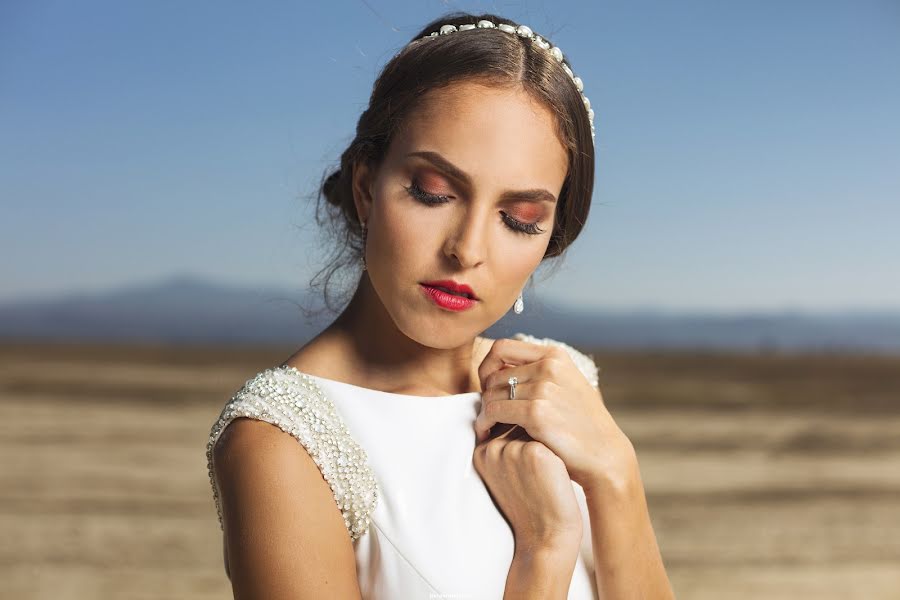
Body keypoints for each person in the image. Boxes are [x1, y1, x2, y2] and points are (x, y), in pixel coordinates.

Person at [206, 10, 675, 599]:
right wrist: (543, 550)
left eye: (519, 220)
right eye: (434, 193)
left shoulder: (561, 382)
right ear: (365, 189)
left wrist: (615, 474)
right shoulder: (282, 440)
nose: (467, 249)